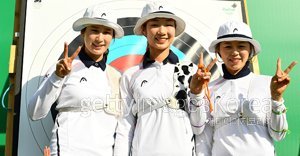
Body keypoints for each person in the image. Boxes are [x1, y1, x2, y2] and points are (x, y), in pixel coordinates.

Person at [114, 2, 216, 156]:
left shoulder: (192, 71)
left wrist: (196, 92)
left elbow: (199, 127)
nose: (162, 31)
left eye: (168, 25)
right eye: (155, 25)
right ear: (144, 30)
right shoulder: (131, 75)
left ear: (175, 30)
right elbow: (125, 127)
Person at [28, 5, 124, 156]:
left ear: (112, 37)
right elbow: (34, 113)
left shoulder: (117, 76)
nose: (100, 38)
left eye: (106, 32)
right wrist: (57, 77)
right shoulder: (61, 68)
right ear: (83, 33)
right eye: (94, 31)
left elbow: (121, 127)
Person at [194, 20, 297, 156]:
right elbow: (203, 139)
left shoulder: (268, 83)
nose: (235, 52)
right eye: (228, 46)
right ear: (218, 50)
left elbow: (279, 134)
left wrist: (276, 98)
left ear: (251, 50)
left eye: (241, 46)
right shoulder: (209, 89)